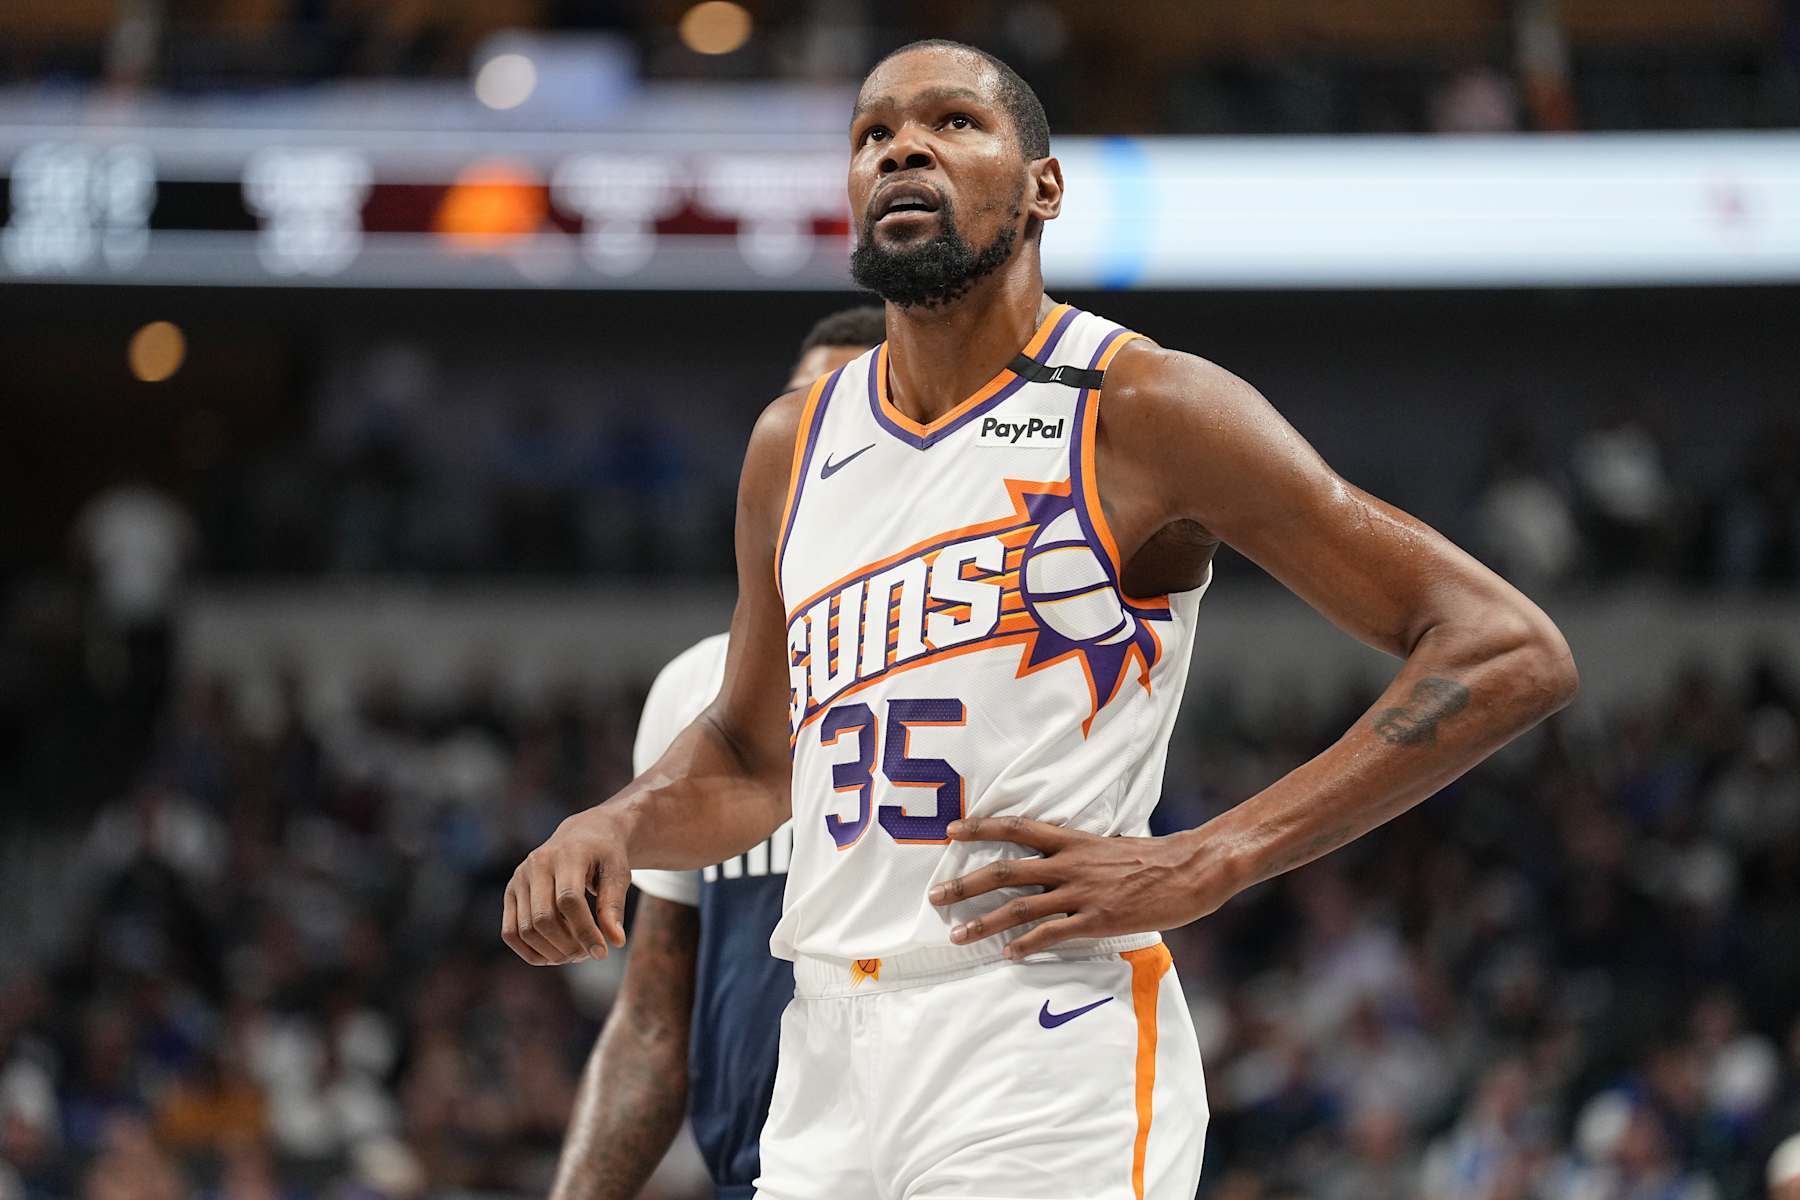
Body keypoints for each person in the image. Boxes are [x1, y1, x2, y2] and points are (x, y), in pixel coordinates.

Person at [505, 38, 1578, 1200]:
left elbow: (1505, 645)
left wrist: (1213, 857)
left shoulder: (1143, 405)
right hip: (823, 1054)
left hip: (1035, 1033)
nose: (904, 146)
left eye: (954, 123)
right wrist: (613, 823)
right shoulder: (792, 444)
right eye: (874, 135)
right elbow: (756, 759)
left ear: (1043, 190)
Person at [548, 306, 886, 1200]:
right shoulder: (697, 688)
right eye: (800, 409)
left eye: (857, 408)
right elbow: (656, 1020)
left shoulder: (987, 660)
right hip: (765, 1174)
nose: (822, 437)